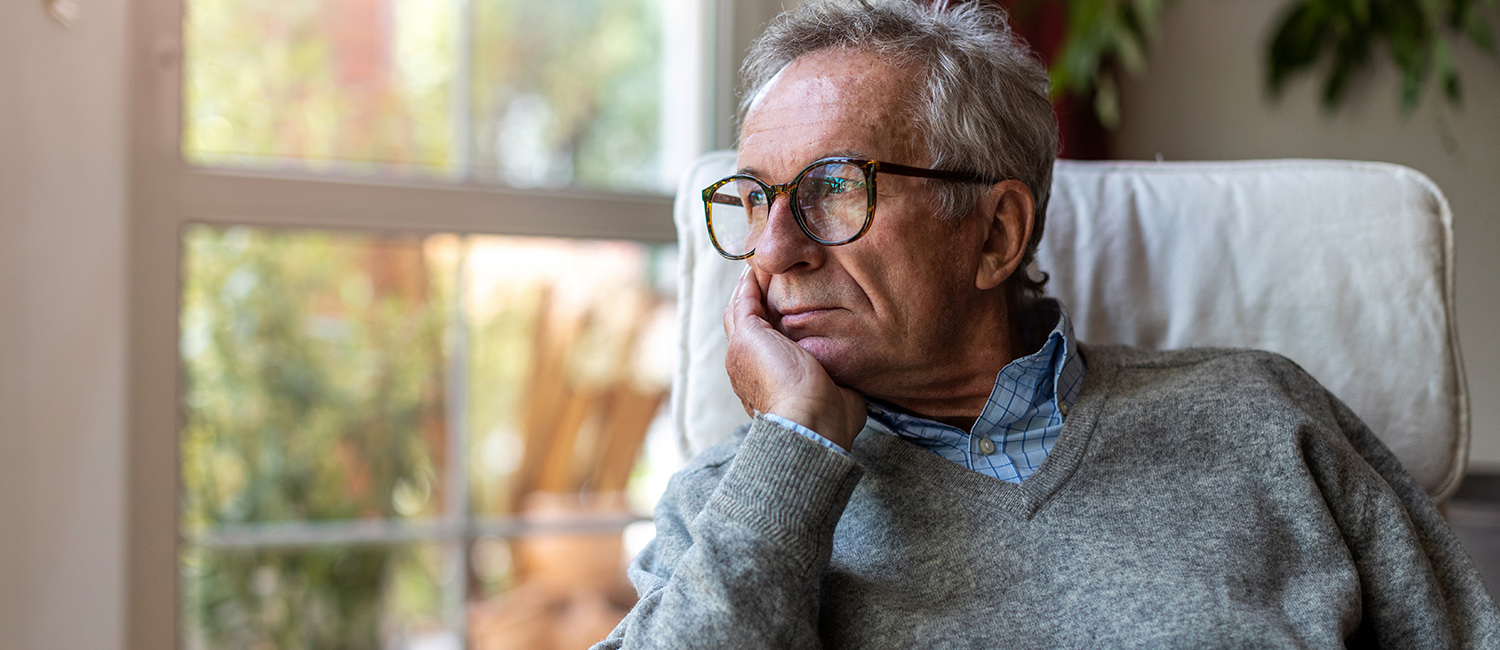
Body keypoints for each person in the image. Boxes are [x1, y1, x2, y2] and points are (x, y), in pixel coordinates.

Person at [594, 1, 1500, 647]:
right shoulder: (737, 502)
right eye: (755, 200)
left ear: (995, 234)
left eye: (834, 189)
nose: (775, 249)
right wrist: (791, 449)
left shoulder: (1265, 418)